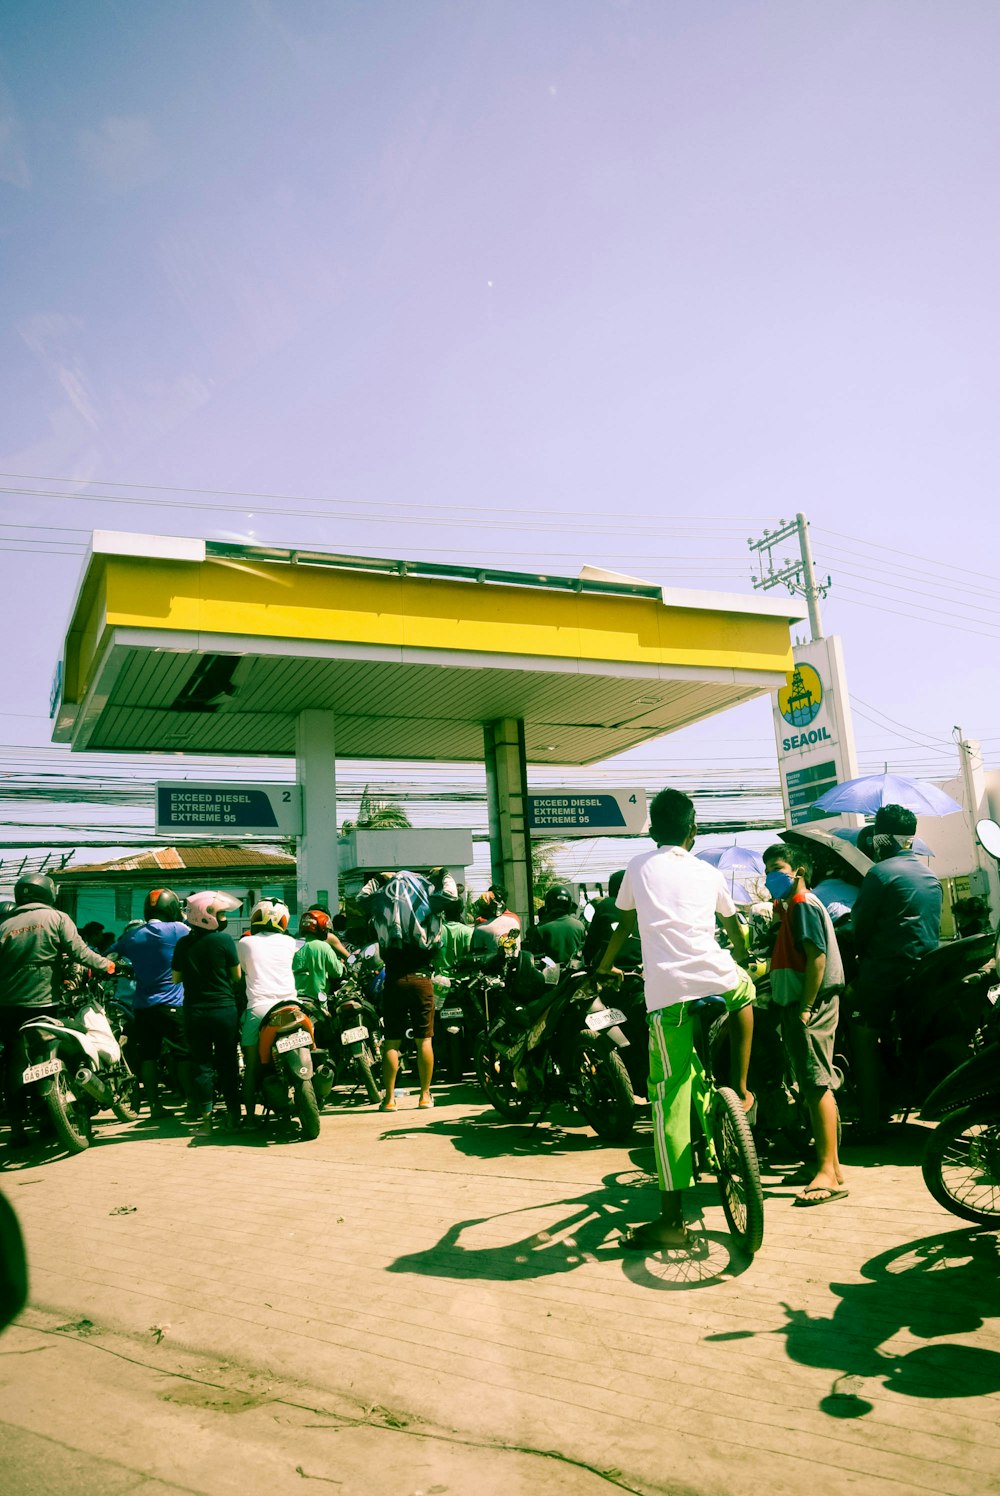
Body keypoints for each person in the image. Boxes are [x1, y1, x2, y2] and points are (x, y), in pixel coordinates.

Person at [596, 788, 755, 1250]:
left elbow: (623, 925)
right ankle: (741, 1089)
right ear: (694, 828)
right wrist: (743, 957)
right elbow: (733, 929)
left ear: (651, 829)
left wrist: (605, 967)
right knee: (745, 995)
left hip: (669, 993)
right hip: (721, 979)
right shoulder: (708, 872)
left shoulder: (638, 867)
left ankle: (671, 1220)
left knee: (668, 1099)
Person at [848, 803, 943, 1140]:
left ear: (881, 838)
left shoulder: (881, 873)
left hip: (886, 972)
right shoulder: (929, 873)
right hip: (925, 970)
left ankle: (871, 1119)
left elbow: (860, 928)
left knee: (860, 1034)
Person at [0, 873, 113, 1145]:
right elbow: (80, 953)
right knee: (62, 1048)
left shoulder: (5, 925)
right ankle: (56, 1113)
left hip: (7, 1007)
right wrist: (108, 966)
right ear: (48, 892)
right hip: (43, 1004)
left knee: (14, 1064)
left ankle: (16, 1129)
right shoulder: (57, 918)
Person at [762, 845, 847, 1206]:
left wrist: (807, 1008)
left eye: (776, 868)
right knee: (811, 1083)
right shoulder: (792, 909)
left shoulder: (804, 906)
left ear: (798, 870)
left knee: (816, 1085)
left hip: (809, 1005)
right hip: (798, 1004)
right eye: (766, 870)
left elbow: (817, 959)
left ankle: (829, 1173)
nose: (770, 877)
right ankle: (827, 1165)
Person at [358, 870, 442, 1111]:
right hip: (421, 980)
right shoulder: (426, 909)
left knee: (391, 1043)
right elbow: (450, 894)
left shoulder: (382, 907)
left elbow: (361, 899)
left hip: (394, 980)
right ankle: (425, 1096)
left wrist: (378, 879)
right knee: (424, 1040)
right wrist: (443, 873)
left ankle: (389, 1100)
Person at [111, 889, 191, 1117]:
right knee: (184, 1054)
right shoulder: (179, 929)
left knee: (149, 1056)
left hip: (142, 1007)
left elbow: (108, 957)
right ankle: (191, 1101)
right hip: (173, 1005)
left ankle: (155, 1106)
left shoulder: (133, 935)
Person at [171, 892, 242, 1128]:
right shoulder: (224, 941)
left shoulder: (183, 944)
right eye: (220, 913)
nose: (223, 918)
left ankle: (207, 1119)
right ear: (206, 915)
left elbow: (175, 978)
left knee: (201, 1064)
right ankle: (233, 1114)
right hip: (224, 1010)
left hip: (195, 1012)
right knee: (227, 1062)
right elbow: (236, 976)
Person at [237, 900, 298, 1120]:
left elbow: (241, 973)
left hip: (259, 1009)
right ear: (284, 920)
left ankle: (251, 1117)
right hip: (292, 1007)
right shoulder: (291, 942)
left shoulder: (245, 943)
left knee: (251, 1066)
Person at [583, 871, 643, 971]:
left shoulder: (605, 904)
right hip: (639, 969)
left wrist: (587, 960)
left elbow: (592, 942)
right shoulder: (642, 906)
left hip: (608, 969)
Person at [293, 908, 343, 1001]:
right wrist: (341, 965)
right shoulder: (324, 947)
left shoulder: (292, 945)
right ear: (322, 928)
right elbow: (336, 973)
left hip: (293, 999)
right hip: (316, 1000)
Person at [527, 885, 586, 964]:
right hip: (574, 973)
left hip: (549, 973)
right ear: (569, 905)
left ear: (548, 904)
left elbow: (531, 956)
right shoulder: (579, 926)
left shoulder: (539, 928)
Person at [433, 897, 473, 977]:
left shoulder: (436, 930)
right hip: (461, 980)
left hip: (440, 979)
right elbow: (468, 955)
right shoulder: (467, 931)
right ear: (461, 910)